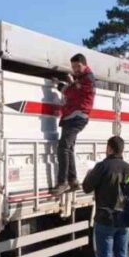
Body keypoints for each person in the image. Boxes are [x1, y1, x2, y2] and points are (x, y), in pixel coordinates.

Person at [82, 136, 129, 257]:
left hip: (105, 219)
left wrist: (90, 173)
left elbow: (86, 187)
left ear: (110, 148)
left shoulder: (102, 167)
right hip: (124, 220)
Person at [51, 53, 95, 196]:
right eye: (73, 67)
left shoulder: (88, 78)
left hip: (77, 116)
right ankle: (73, 181)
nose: (75, 69)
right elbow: (75, 90)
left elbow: (72, 93)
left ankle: (62, 182)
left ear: (85, 64)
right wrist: (72, 82)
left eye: (78, 66)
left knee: (63, 147)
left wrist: (60, 85)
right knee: (68, 148)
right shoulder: (82, 78)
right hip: (72, 116)